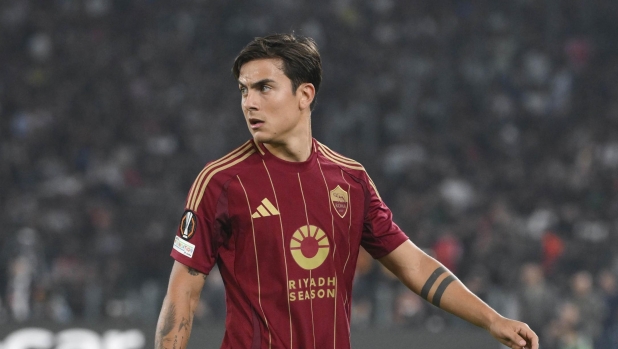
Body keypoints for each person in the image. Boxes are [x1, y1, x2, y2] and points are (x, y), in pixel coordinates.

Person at [154, 33, 539, 349]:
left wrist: (492, 320)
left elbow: (413, 265)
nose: (249, 102)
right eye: (243, 90)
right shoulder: (220, 182)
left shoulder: (349, 179)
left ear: (304, 95)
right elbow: (181, 295)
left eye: (264, 88)